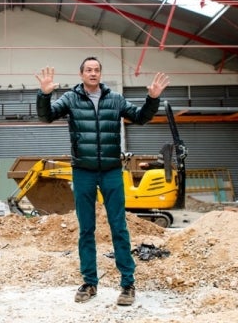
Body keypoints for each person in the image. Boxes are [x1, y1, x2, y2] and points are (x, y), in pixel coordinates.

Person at [35, 57, 169, 306]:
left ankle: (127, 285)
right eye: (88, 70)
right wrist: (44, 95)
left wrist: (152, 99)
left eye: (96, 70)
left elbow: (140, 118)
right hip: (83, 172)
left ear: (100, 74)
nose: (93, 73)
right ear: (81, 74)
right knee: (86, 229)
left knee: (119, 227)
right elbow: (47, 117)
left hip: (111, 171)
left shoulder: (115, 99)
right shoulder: (71, 99)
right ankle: (89, 283)